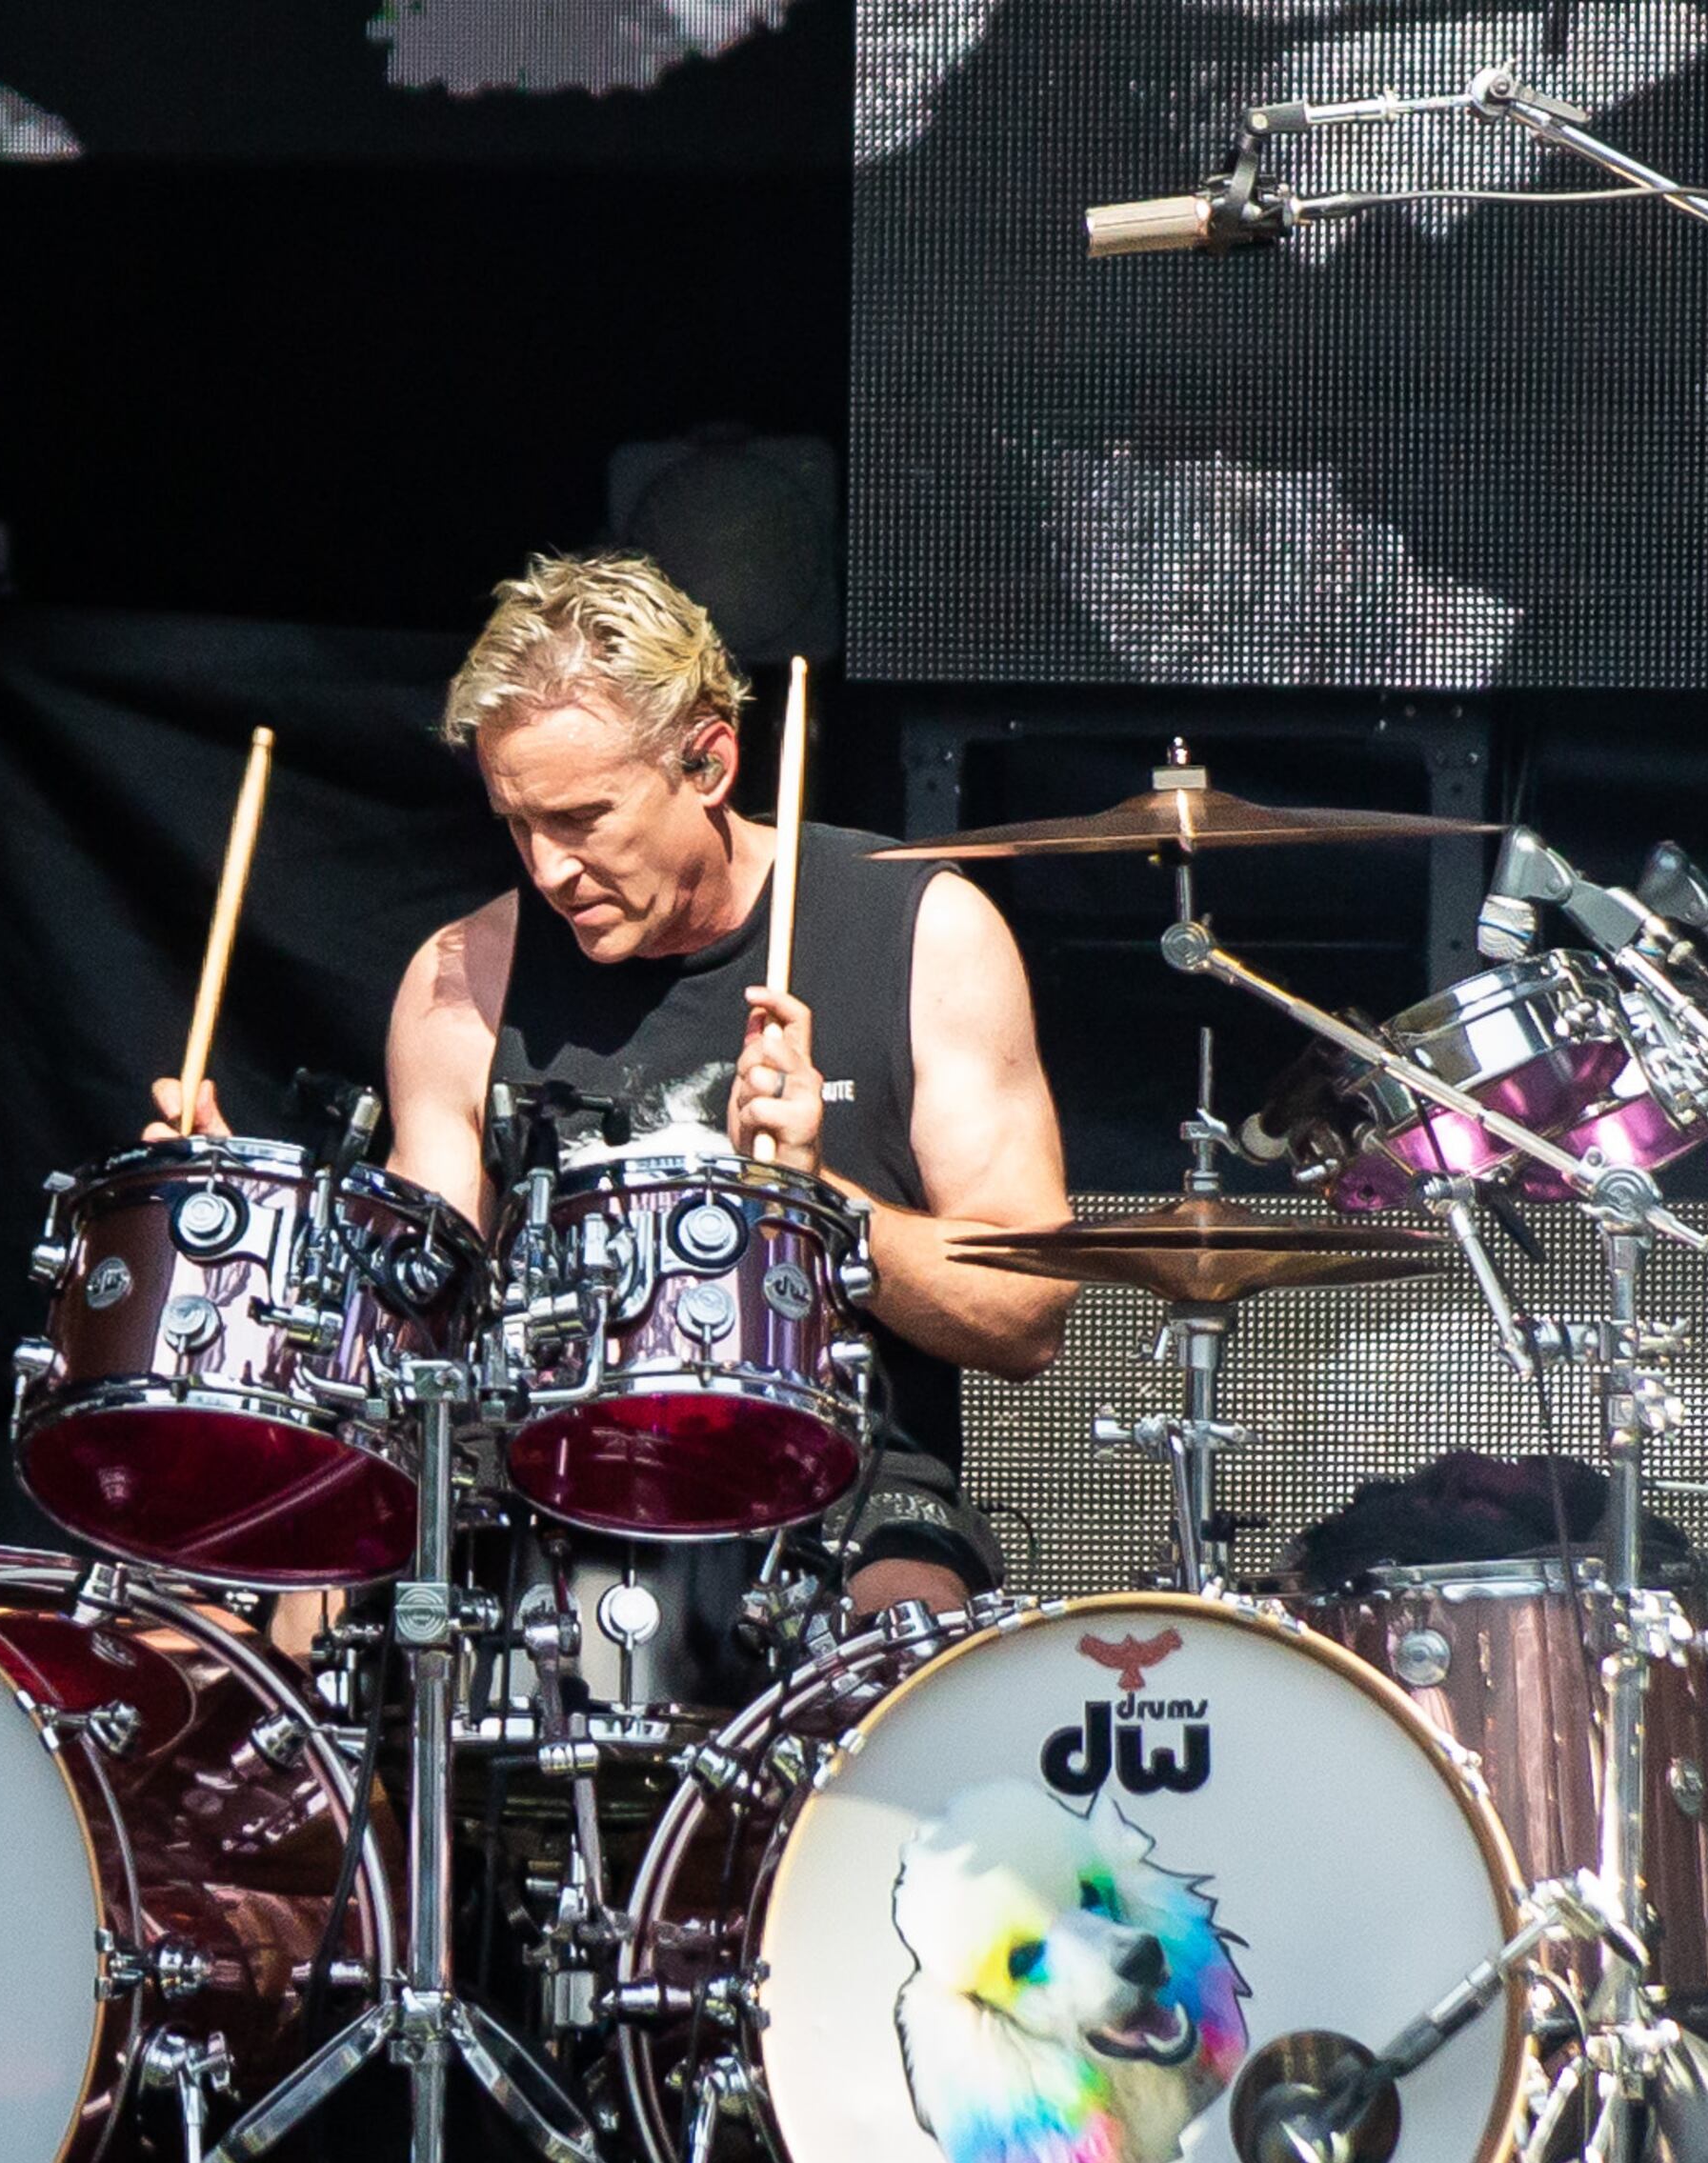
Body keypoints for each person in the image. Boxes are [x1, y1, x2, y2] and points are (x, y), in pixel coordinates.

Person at [154, 551, 1073, 1615]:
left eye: (583, 818)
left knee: (906, 1615)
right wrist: (228, 1238)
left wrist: (821, 1203)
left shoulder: (921, 931)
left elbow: (1026, 1312)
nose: (547, 869)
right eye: (518, 823)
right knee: (321, 1591)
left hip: (845, 1491)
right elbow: (415, 1321)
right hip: (541, 1494)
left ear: (711, 763)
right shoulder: (467, 979)